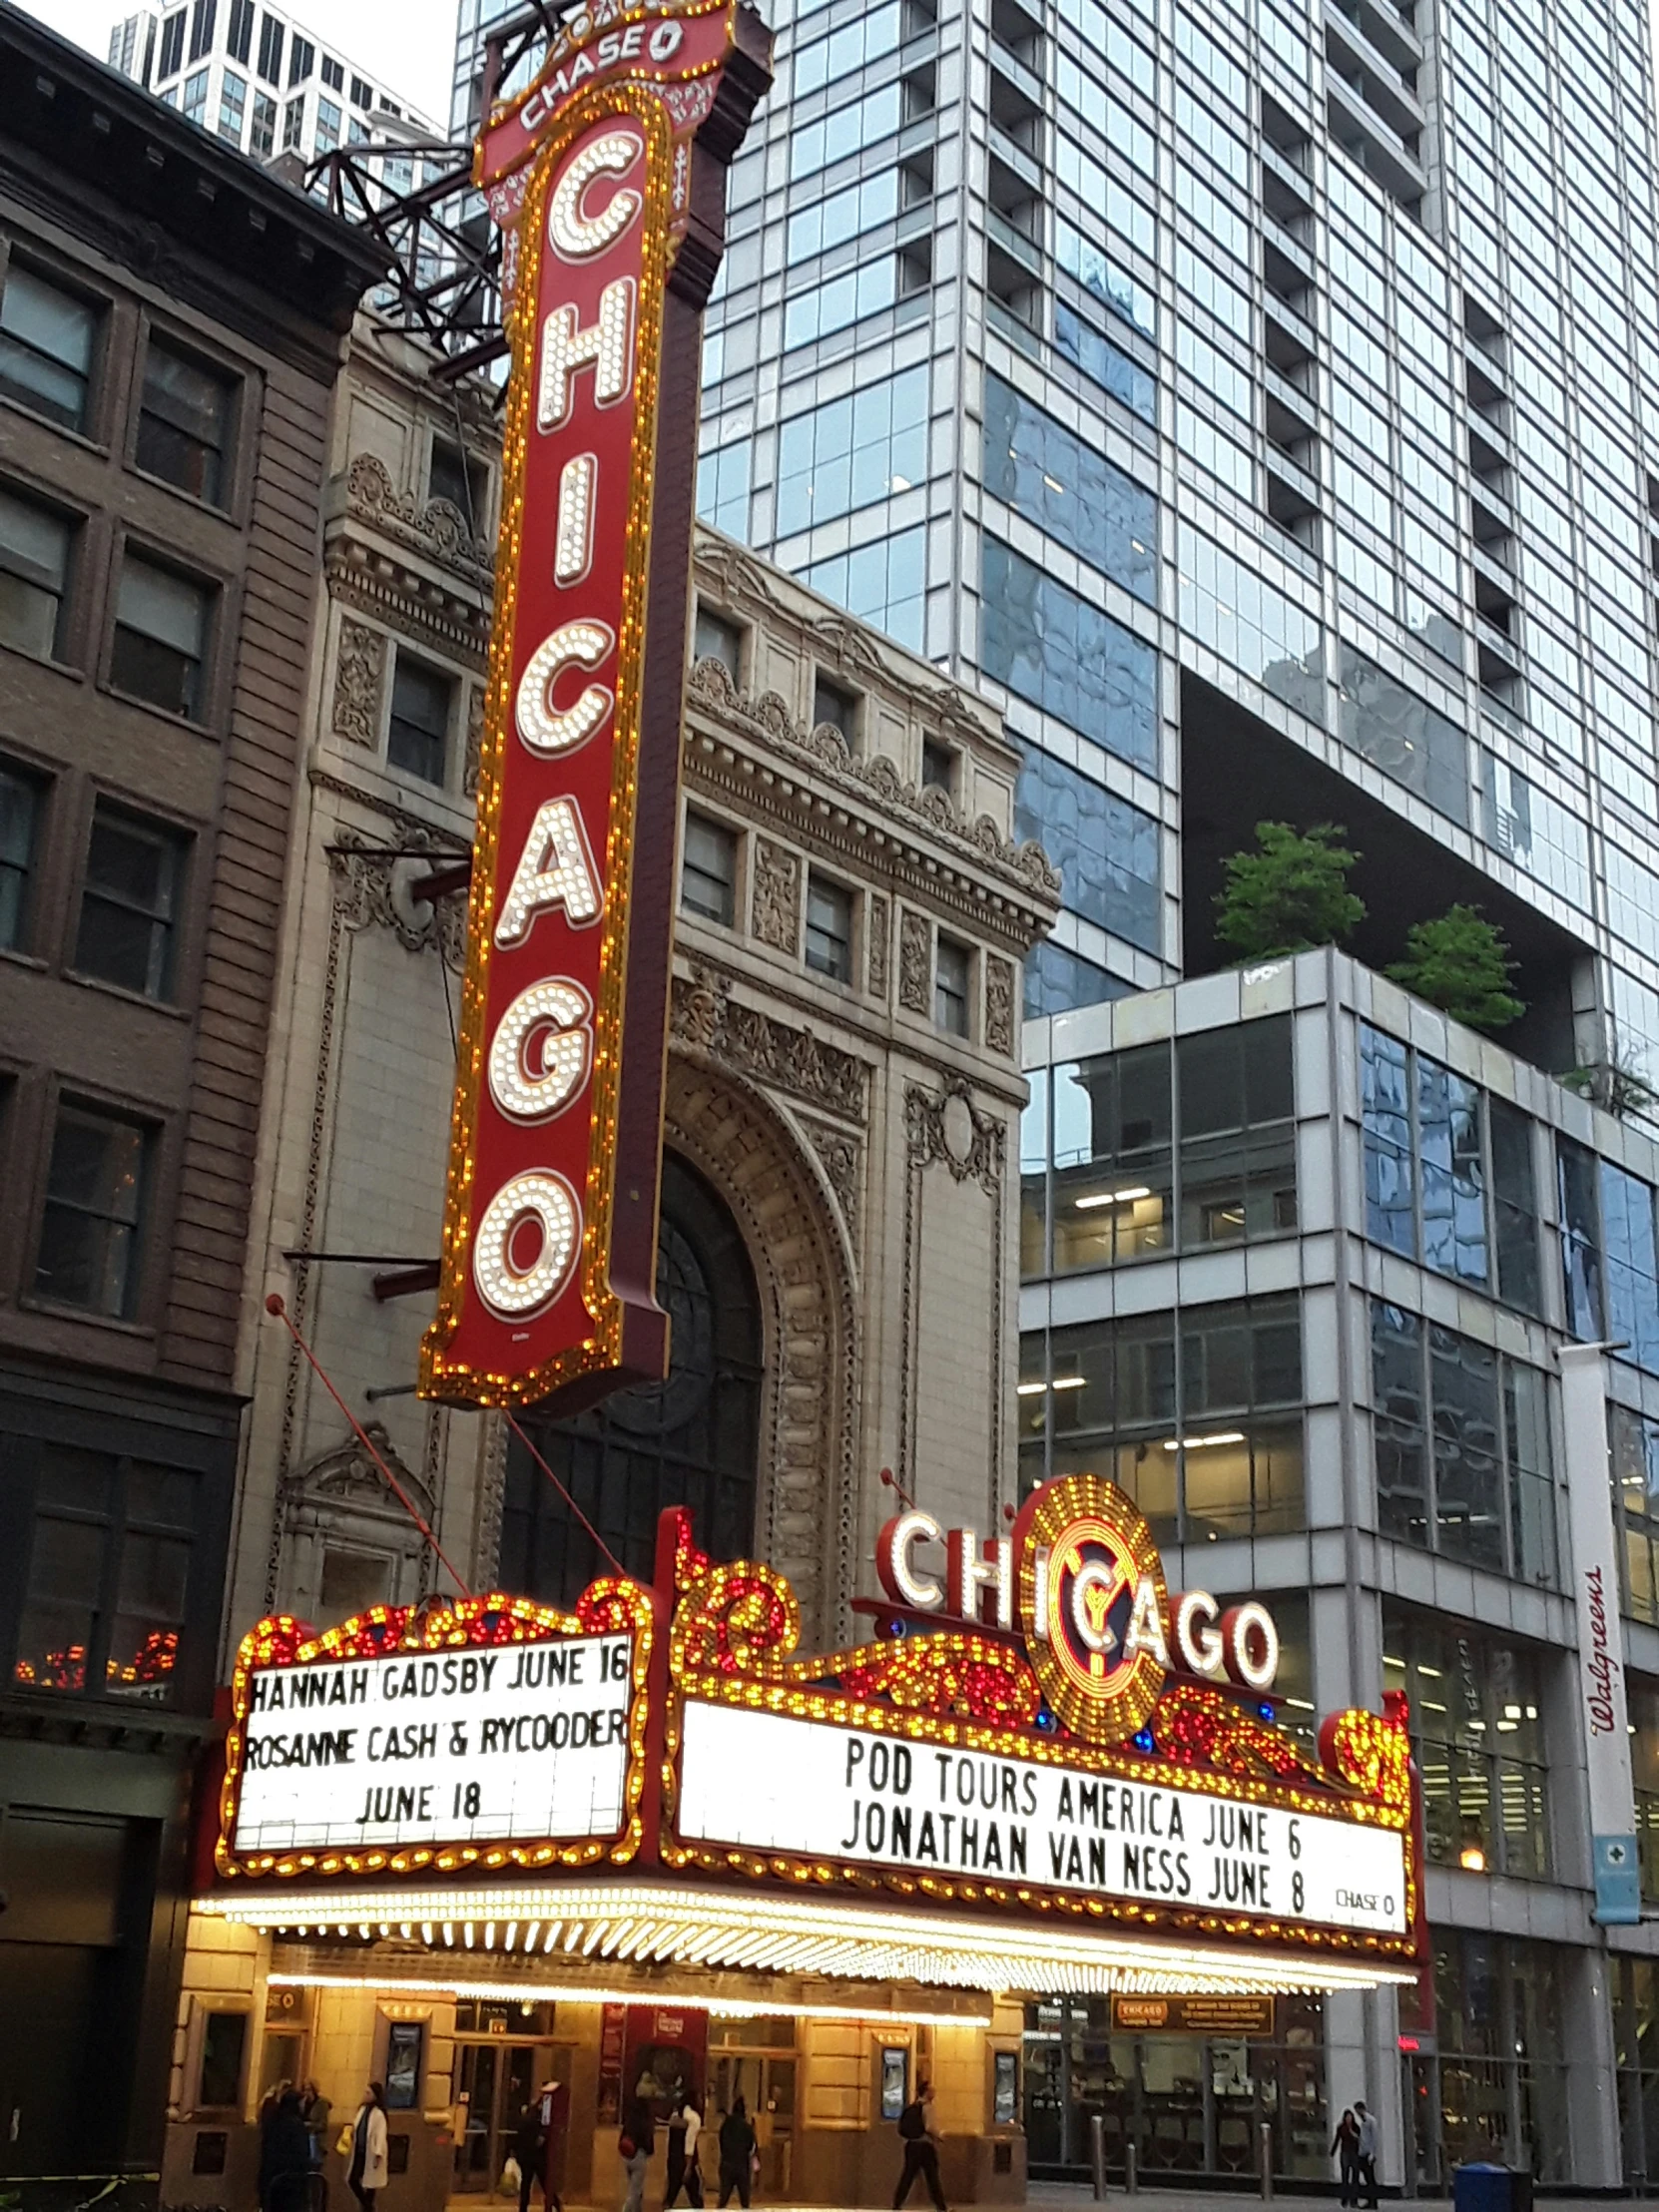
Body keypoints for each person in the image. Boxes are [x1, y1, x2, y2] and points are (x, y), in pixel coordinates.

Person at [892, 2081, 947, 2212]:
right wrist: (939, 2137)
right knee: (932, 2177)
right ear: (926, 2092)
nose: (934, 2092)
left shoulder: (913, 2107)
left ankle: (897, 2203)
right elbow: (929, 2127)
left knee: (908, 2175)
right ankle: (941, 2206)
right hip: (925, 2146)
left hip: (911, 2145)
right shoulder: (928, 2107)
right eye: (931, 2089)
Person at [260, 2088, 314, 2212]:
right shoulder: (297, 2125)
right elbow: (302, 2154)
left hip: (271, 2178)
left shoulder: (273, 2121)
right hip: (291, 2183)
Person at [347, 2081, 389, 2212]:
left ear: (375, 2096)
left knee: (371, 2184)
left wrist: (378, 2153)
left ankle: (367, 2207)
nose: (365, 2095)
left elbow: (380, 2134)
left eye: (368, 2093)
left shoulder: (378, 2114)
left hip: (371, 2153)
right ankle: (368, 2206)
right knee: (353, 2180)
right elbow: (357, 2126)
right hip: (360, 2151)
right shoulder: (362, 2110)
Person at [717, 2095, 756, 2210]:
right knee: (744, 2200)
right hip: (742, 2165)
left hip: (727, 2163)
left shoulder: (726, 2125)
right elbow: (751, 2146)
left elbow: (721, 2142)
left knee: (723, 2197)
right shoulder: (747, 2127)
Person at [666, 2090, 704, 2207]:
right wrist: (688, 2166)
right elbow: (689, 2143)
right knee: (696, 2198)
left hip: (673, 2161)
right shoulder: (694, 2118)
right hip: (685, 2161)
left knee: (670, 2196)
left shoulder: (674, 2116)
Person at [620, 2095, 655, 2212]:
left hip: (627, 2157)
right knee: (635, 2191)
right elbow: (648, 2142)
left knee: (635, 2188)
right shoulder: (645, 2123)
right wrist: (649, 2152)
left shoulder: (629, 2122)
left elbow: (621, 2139)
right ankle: (626, 2209)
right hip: (640, 2156)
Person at [1331, 2107, 1361, 2208]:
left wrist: (1352, 2132)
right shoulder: (1341, 2127)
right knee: (1345, 2176)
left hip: (1354, 2153)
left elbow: (1360, 2139)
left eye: (1350, 2117)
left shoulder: (1356, 2127)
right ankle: (1344, 2199)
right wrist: (1333, 2151)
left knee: (1355, 2177)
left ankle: (1354, 2200)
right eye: (1347, 2117)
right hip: (1345, 2152)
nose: (1349, 2119)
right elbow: (1337, 2139)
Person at [1354, 2100, 1380, 2210]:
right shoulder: (1361, 2121)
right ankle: (1370, 2200)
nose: (1356, 2113)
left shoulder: (1371, 2121)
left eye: (1357, 2110)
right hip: (1361, 2152)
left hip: (1368, 2153)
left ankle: (1373, 2201)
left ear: (1361, 2109)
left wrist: (1372, 2153)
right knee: (1366, 2177)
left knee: (1370, 2179)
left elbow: (1374, 2138)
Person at [301, 2083, 331, 2172]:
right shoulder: (303, 2103)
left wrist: (309, 2125)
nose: (307, 2093)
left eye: (309, 2090)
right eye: (305, 2090)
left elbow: (323, 2124)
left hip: (316, 2140)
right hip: (304, 2139)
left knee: (315, 2167)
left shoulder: (321, 2104)